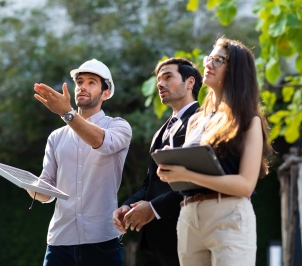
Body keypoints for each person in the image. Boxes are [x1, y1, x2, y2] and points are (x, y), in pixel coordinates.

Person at [155, 38, 272, 266]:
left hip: (229, 214)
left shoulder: (249, 120)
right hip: (189, 215)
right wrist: (172, 166)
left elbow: (246, 185)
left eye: (218, 60)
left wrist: (186, 175)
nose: (208, 63)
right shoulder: (195, 121)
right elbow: (191, 173)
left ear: (236, 70)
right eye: (209, 58)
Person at [30, 59, 132, 266]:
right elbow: (46, 192)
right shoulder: (56, 137)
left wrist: (67, 113)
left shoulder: (119, 126)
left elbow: (100, 142)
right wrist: (30, 187)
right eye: (80, 82)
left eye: (91, 82)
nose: (83, 86)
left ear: (105, 93)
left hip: (102, 241)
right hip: (59, 242)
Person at [112, 58, 202, 266]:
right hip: (152, 243)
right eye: (158, 79)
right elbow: (150, 182)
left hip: (185, 236)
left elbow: (198, 179)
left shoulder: (202, 121)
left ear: (190, 83)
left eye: (168, 77)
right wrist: (127, 206)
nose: (160, 84)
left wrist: (153, 208)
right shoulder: (161, 130)